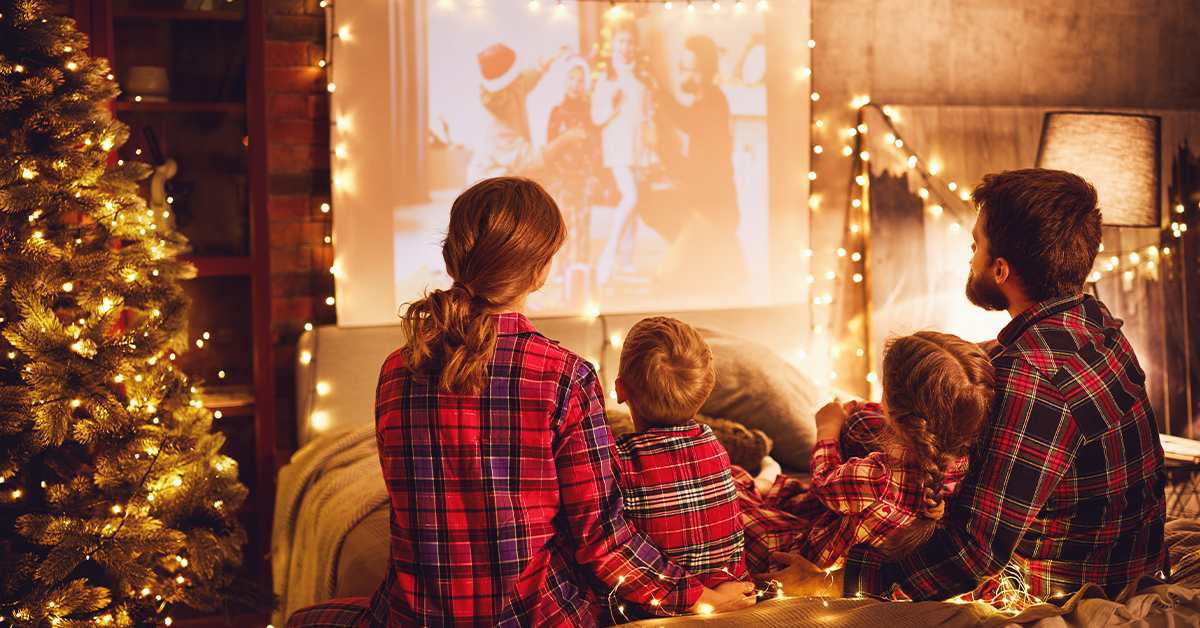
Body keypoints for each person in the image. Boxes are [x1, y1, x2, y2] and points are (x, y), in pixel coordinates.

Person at [285, 177, 755, 628]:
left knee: (303, 619)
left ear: (453, 261)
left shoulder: (396, 370)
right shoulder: (565, 376)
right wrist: (698, 598)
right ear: (543, 269)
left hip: (414, 617)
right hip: (537, 617)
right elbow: (602, 541)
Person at [760, 168, 1167, 602]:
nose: (969, 257)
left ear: (1000, 269)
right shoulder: (1094, 322)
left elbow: (972, 554)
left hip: (1070, 582)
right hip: (1132, 555)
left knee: (880, 482)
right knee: (866, 426)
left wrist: (830, 582)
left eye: (975, 245)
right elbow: (991, 355)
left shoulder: (1031, 383)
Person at [732, 332, 994, 575]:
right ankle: (765, 485)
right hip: (853, 528)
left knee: (732, 490)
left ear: (896, 415)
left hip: (814, 561)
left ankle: (760, 484)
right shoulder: (965, 463)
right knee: (793, 496)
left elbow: (823, 484)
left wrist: (827, 429)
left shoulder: (876, 478)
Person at [604, 316, 750, 622]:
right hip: (733, 591)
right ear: (704, 389)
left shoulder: (617, 463)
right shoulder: (715, 447)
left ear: (620, 390)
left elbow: (610, 548)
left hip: (651, 608)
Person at [653, 35, 746, 292]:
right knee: (652, 207)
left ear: (699, 75)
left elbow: (691, 173)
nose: (680, 73)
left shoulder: (711, 109)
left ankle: (716, 261)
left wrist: (657, 144)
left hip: (710, 214)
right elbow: (689, 121)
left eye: (685, 68)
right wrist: (659, 92)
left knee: (664, 279)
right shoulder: (710, 100)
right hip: (709, 206)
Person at [591, 18, 654, 286]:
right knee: (631, 195)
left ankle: (627, 261)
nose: (626, 47)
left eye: (630, 42)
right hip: (617, 148)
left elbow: (648, 117)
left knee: (634, 205)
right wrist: (613, 105)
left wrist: (650, 154)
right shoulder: (606, 78)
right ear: (613, 44)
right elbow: (596, 117)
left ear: (635, 45)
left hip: (638, 150)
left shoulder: (642, 79)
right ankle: (611, 251)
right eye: (621, 42)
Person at [466, 43, 586, 182]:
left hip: (510, 173)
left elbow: (531, 73)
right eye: (517, 76)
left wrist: (553, 56)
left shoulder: (512, 86)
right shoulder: (496, 124)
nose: (521, 77)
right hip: (490, 182)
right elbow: (530, 160)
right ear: (507, 84)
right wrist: (568, 138)